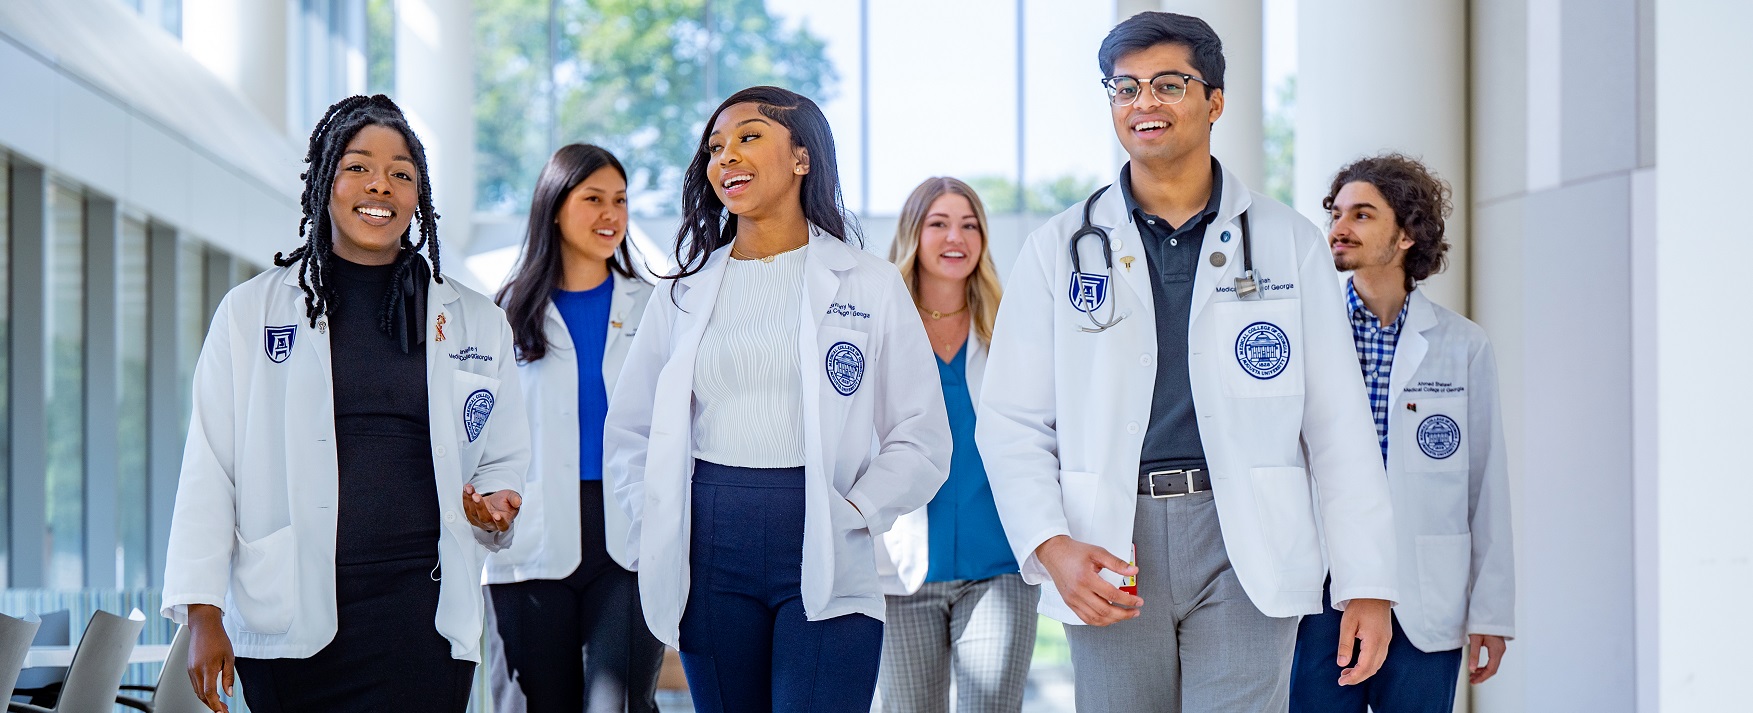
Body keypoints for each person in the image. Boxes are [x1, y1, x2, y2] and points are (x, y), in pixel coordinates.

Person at [974, 12, 1400, 712]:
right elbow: (1013, 417)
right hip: (1109, 539)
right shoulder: (1060, 247)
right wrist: (1050, 542)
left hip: (1245, 539)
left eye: (1168, 84)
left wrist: (1367, 583)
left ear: (1215, 101)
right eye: (1124, 88)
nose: (1143, 102)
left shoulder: (1286, 242)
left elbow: (1337, 424)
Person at [161, 94, 528, 713]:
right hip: (290, 609)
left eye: (402, 173)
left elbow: (501, 457)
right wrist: (202, 610)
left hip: (421, 615)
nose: (379, 185)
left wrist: (495, 505)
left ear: (419, 196)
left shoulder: (477, 322)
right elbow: (209, 465)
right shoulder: (252, 311)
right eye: (358, 166)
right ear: (326, 179)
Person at [603, 85, 952, 712]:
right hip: (709, 546)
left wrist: (857, 508)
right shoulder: (682, 294)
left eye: (748, 137)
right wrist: (647, 529)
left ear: (801, 158)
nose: (726, 157)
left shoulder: (867, 283)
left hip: (825, 534)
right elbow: (630, 430)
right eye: (715, 147)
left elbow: (921, 435)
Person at [1289, 154, 1515, 712]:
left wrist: (1490, 611)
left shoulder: (1462, 345)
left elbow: (1487, 486)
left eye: (1362, 215)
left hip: (1424, 601)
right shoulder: (1301, 336)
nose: (1339, 229)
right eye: (1336, 213)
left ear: (1408, 234)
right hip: (1322, 598)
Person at [484, 144, 664, 712]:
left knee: (620, 705)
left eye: (620, 201)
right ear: (555, 208)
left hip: (628, 538)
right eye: (593, 199)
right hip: (530, 537)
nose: (611, 214)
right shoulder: (502, 316)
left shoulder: (656, 309)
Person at [875, 177, 1036, 712]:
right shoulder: (879, 327)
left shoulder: (1007, 327)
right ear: (913, 234)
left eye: (970, 225)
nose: (956, 237)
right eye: (939, 223)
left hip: (999, 567)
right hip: (902, 573)